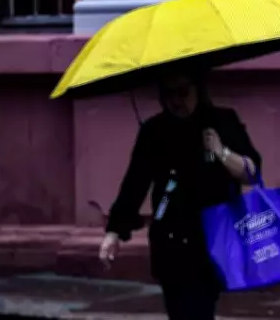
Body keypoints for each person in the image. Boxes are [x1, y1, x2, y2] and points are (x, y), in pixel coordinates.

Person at [98, 70, 262, 320]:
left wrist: (221, 152)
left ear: (198, 89)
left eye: (183, 92)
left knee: (199, 308)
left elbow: (251, 174)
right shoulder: (154, 131)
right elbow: (135, 182)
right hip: (171, 241)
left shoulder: (222, 121)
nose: (177, 101)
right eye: (168, 94)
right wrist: (114, 232)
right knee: (181, 310)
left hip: (213, 239)